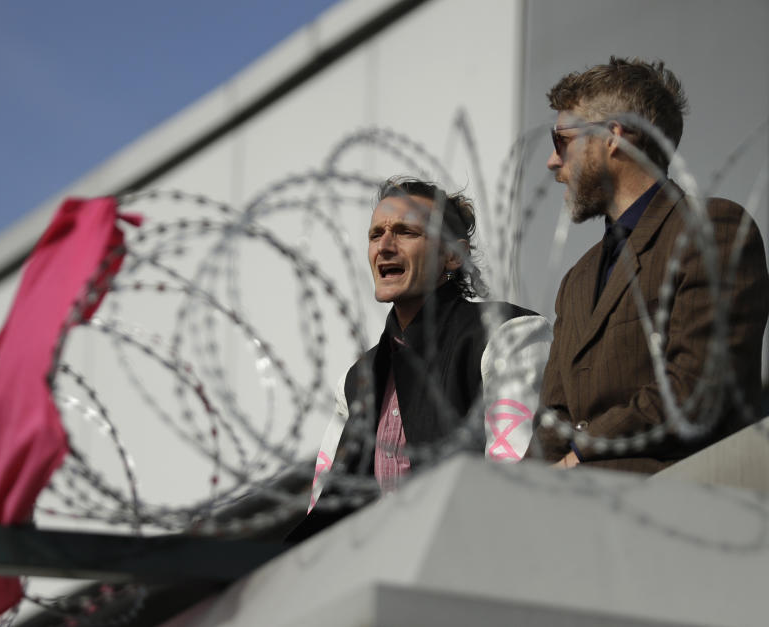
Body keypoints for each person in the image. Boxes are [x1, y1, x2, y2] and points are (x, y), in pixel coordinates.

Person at [527, 57, 769, 472]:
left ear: (613, 136)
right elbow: (553, 420)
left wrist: (582, 451)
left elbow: (697, 389)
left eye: (562, 140)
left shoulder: (711, 231)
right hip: (573, 513)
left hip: (674, 506)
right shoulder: (577, 280)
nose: (553, 161)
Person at [288, 177, 551, 540]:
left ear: (452, 255)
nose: (384, 246)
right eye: (375, 234)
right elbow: (324, 508)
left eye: (406, 231)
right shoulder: (356, 382)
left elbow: (513, 474)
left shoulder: (508, 335)